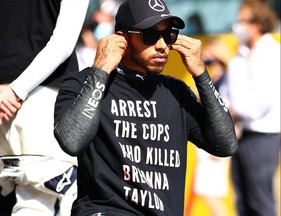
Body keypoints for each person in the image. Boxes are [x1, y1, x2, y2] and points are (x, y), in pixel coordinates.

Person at [53, 0, 238, 215]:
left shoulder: (175, 91)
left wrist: (201, 75)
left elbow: (225, 145)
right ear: (122, 39)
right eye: (150, 35)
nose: (161, 45)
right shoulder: (83, 82)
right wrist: (101, 70)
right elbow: (71, 141)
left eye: (168, 35)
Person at [0, 0, 89, 215]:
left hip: (0, 99)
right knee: (44, 203)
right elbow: (63, 43)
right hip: (44, 99)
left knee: (6, 203)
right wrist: (16, 91)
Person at [222, 0, 280, 215]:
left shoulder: (272, 52)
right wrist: (226, 109)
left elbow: (264, 98)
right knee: (242, 199)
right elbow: (229, 89)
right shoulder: (240, 53)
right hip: (240, 134)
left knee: (260, 200)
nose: (239, 27)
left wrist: (236, 112)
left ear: (257, 23)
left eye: (243, 21)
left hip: (262, 136)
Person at [192, 38, 233, 216]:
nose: (206, 65)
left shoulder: (226, 82)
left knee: (211, 194)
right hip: (208, 143)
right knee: (206, 192)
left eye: (209, 61)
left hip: (216, 144)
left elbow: (228, 113)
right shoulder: (214, 82)